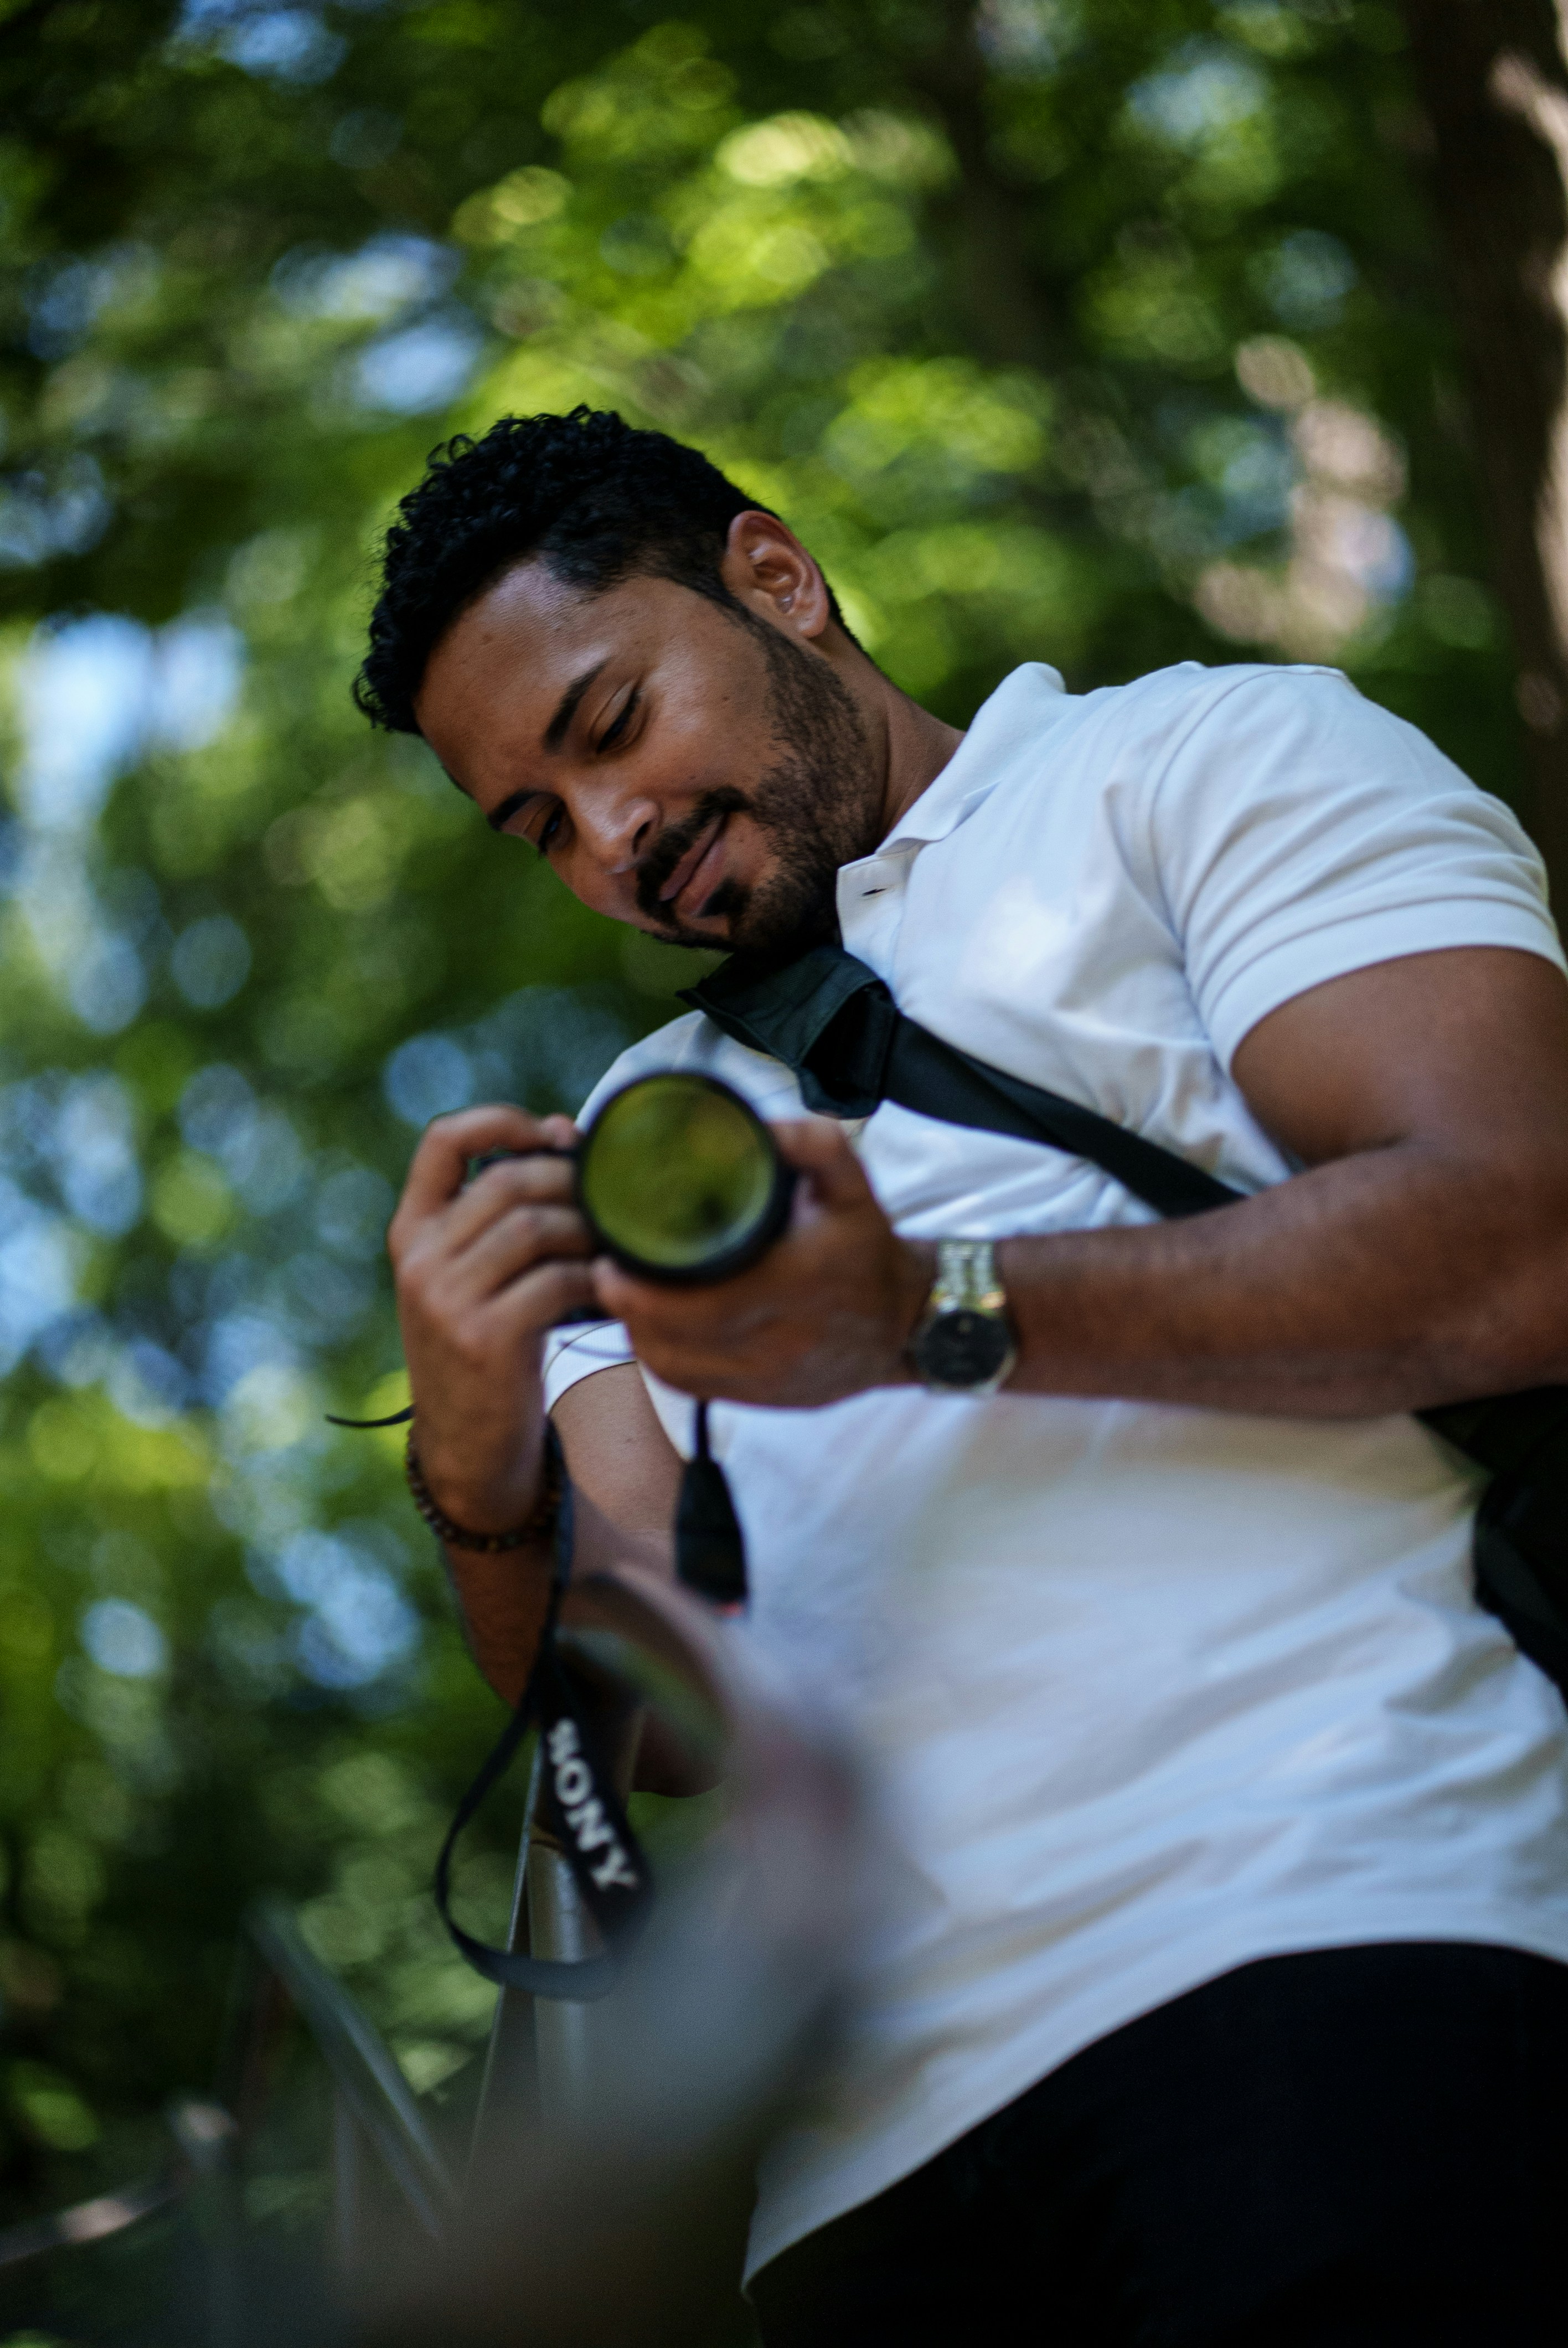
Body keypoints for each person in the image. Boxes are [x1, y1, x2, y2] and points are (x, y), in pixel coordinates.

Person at [359, 406, 1568, 2344]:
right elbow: (660, 1724)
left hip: (1340, 1938)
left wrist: (931, 1307)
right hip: (859, 2186)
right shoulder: (636, 1136)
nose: (609, 843)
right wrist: (487, 1478)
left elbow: (1523, 1243)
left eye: (607, 728)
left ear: (775, 577)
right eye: (537, 827)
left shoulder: (1201, 758)